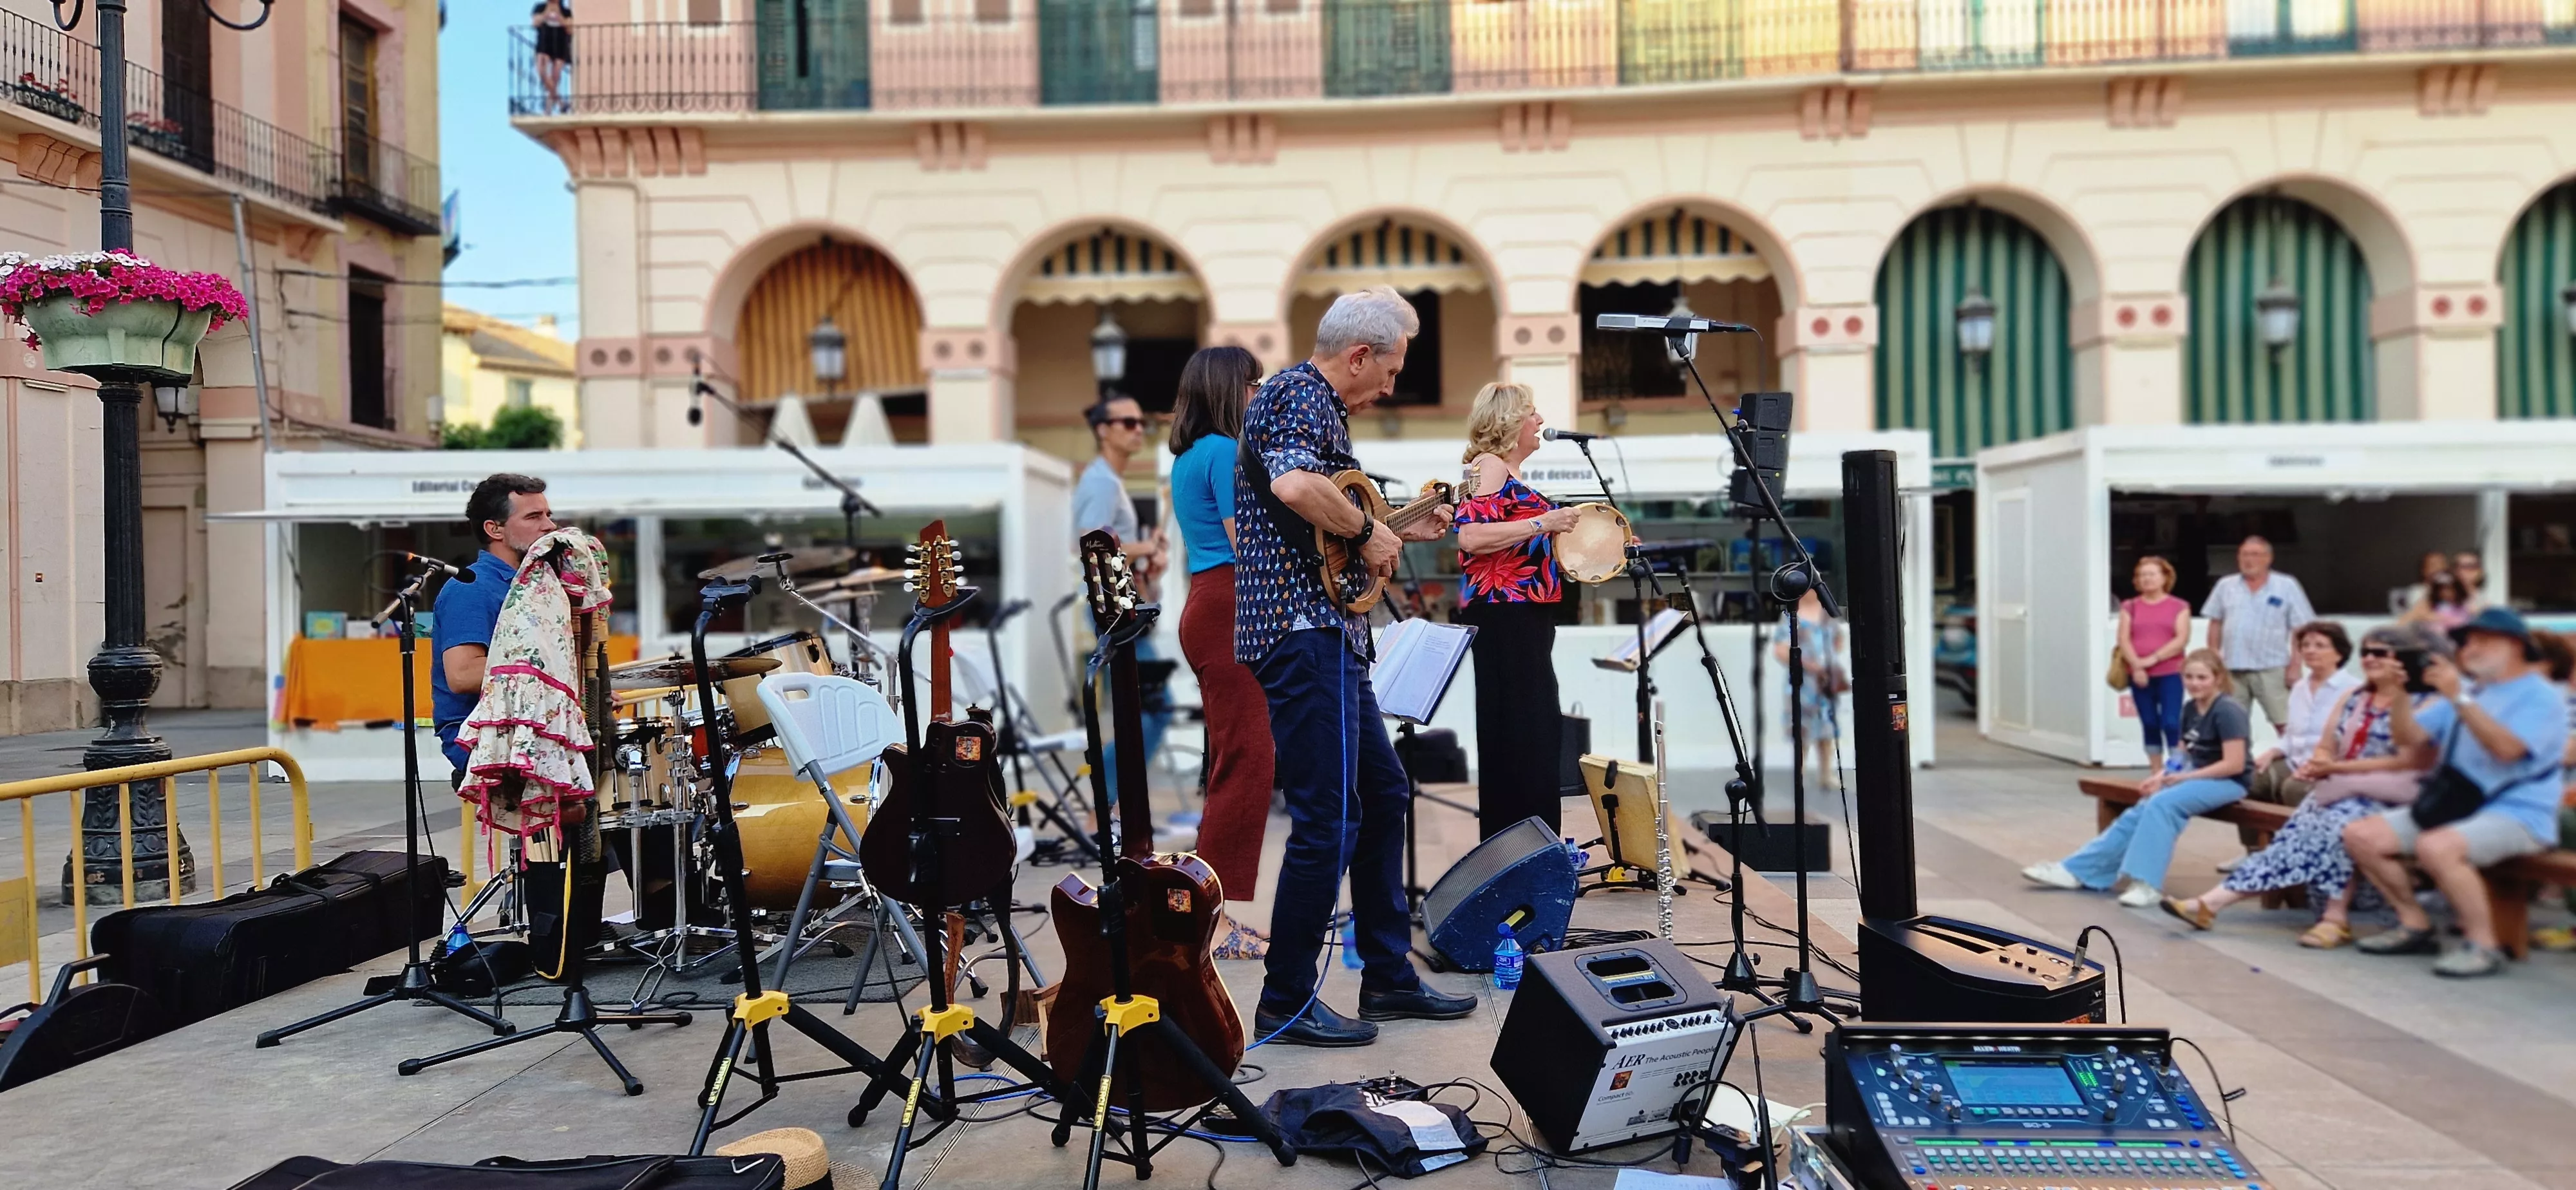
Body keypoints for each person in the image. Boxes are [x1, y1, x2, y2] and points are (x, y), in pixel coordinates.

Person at [1235, 285, 1463, 1047]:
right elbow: (1296, 488)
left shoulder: (1316, 408)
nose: (1391, 389)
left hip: (1326, 634)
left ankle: (1389, 978)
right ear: (1359, 354)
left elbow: (1333, 530)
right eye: (1391, 372)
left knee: (1383, 791)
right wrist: (1372, 529)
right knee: (1327, 818)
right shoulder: (1298, 395)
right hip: (1300, 635)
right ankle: (1286, 1002)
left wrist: (1398, 527)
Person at [2159, 625, 2443, 947]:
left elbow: (2408, 761)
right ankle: (2211, 903)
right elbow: (2327, 742)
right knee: (2294, 832)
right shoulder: (2356, 697)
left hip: (2394, 793)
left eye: (2381, 653)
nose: (2371, 659)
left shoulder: (2425, 700)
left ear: (2404, 659)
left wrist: (2336, 768)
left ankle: (2335, 918)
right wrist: (2320, 762)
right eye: (2367, 652)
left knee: (2340, 823)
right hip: (2345, 786)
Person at [2344, 607, 2566, 978]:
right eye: (2465, 641)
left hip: (2521, 813)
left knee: (2437, 846)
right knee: (2361, 835)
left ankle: (2483, 946)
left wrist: (2459, 699)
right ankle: (2415, 925)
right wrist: (2402, 694)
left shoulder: (2540, 696)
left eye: (2481, 640)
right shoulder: (2469, 690)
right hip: (2461, 806)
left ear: (2514, 645)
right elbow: (2408, 739)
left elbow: (2508, 750)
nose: (2468, 648)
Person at [1165, 345, 1272, 959]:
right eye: (1253, 385)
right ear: (1231, 391)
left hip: (1210, 602)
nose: (1258, 395)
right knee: (1247, 762)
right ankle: (1213, 921)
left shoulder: (1189, 455)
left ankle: (1213, 913)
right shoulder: (1225, 454)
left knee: (1238, 759)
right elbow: (1249, 546)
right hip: (1230, 602)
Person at [2024, 648, 2250, 907]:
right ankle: (2080, 870)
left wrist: (2185, 777)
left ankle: (2147, 883)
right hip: (2195, 777)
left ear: (2218, 678)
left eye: (2202, 678)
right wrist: (2162, 775)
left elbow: (2234, 764)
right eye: (2189, 677)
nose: (2195, 684)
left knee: (2163, 804)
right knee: (2142, 807)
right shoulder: (2190, 708)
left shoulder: (2228, 711)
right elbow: (2182, 751)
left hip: (2228, 782)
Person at [1452, 381, 1578, 838]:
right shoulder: (1488, 466)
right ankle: (1524, 848)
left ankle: (1525, 846)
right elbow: (1470, 536)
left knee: (1532, 734)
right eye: (1532, 413)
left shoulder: (1506, 474)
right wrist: (1546, 521)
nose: (1540, 421)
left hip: (1525, 617)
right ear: (1508, 421)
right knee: (1527, 736)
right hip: (1506, 616)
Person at [433, 473, 556, 780]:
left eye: (548, 515)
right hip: (488, 740)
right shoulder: (471, 588)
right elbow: (462, 675)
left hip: (526, 730)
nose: (550, 526)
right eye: (533, 517)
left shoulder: (534, 587)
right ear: (494, 529)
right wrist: (557, 675)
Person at [1075, 391, 1171, 773]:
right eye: (1128, 423)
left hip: (1123, 607)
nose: (1138, 431)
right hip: (1113, 613)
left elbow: (1115, 555)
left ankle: (1111, 805)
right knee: (1150, 710)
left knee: (1141, 711)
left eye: (1141, 423)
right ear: (1103, 430)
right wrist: (1146, 545)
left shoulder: (1108, 481)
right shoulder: (1102, 484)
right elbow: (1092, 545)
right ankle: (1107, 799)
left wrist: (1148, 567)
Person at [2224, 621, 2358, 869]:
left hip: (2330, 767)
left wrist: (2321, 765)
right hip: (2295, 759)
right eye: (2305, 645)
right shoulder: (2299, 687)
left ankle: (2297, 855)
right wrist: (2272, 752)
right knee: (2249, 779)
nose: (2310, 650)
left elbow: (2353, 742)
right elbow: (2292, 736)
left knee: (2294, 788)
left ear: (2339, 653)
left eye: (2319, 645)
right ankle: (2255, 852)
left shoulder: (2353, 690)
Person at [2201, 535, 2314, 732]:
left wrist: (2295, 666)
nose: (2249, 560)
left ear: (2268, 558)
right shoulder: (2226, 585)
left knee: (2286, 724)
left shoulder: (2286, 585)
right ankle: (2239, 763)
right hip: (2232, 669)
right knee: (2231, 726)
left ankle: (2292, 763)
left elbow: (2301, 628)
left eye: (2255, 554)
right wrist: (2214, 656)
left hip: (2272, 667)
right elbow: (2215, 623)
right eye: (2244, 554)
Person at [2117, 555, 2192, 771]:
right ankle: (2156, 771)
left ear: (2164, 578)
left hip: (2170, 672)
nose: (2146, 579)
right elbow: (2124, 639)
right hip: (2139, 675)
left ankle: (2176, 768)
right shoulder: (2129, 606)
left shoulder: (2179, 606)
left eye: (2151, 574)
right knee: (2149, 722)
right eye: (2142, 575)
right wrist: (2137, 666)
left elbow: (2181, 640)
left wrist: (2152, 659)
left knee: (2171, 722)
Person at [1773, 588, 1846, 790]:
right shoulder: (1790, 616)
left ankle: (1826, 774)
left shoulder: (1828, 616)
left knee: (1827, 730)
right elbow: (1780, 650)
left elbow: (1838, 642)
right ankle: (1800, 774)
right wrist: (1807, 664)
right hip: (1802, 682)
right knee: (1800, 730)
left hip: (1825, 683)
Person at [531, 0, 573, 114]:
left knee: (555, 77)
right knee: (541, 71)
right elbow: (535, 23)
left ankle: (548, 109)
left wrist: (560, 18)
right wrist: (546, 14)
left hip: (560, 44)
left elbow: (570, 29)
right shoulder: (540, 7)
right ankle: (560, 103)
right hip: (544, 43)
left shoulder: (566, 11)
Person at [2400, 571, 2476, 632]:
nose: (2447, 593)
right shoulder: (2428, 605)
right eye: (2442, 590)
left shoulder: (2465, 606)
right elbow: (2404, 622)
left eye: (2451, 589)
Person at [2389, 550, 2448, 617]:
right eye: (2433, 565)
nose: (2439, 569)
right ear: (2424, 570)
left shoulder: (2454, 590)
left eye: (2442, 564)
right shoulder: (2417, 592)